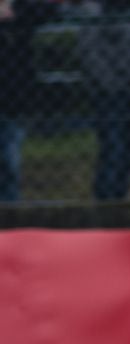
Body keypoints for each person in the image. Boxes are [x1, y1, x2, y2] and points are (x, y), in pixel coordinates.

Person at [77, 0, 130, 201]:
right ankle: (107, 198)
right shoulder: (93, 14)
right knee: (113, 148)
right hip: (110, 94)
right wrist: (112, 84)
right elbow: (89, 55)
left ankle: (121, 196)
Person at [0, 0, 59, 202]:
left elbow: (50, 9)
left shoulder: (23, 10)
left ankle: (10, 206)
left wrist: (14, 12)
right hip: (13, 94)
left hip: (12, 97)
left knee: (9, 157)